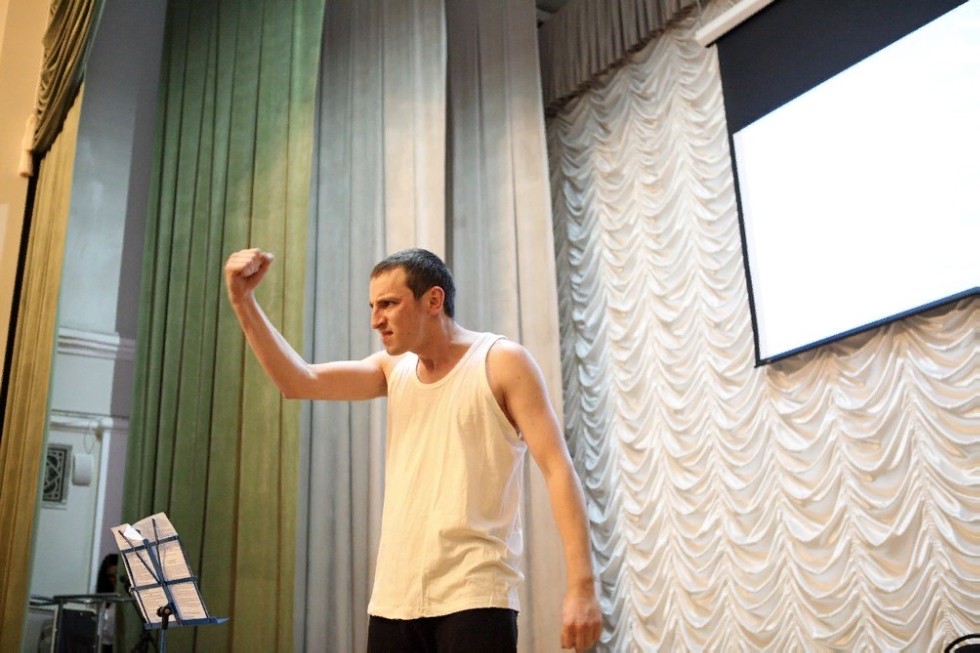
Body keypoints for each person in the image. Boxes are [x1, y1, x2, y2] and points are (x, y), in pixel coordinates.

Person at [224, 247, 602, 651]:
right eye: (373, 307)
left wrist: (582, 587)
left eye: (388, 304)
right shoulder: (393, 369)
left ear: (433, 300)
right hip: (394, 601)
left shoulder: (501, 361)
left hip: (474, 596)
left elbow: (558, 469)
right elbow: (298, 381)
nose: (375, 320)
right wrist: (243, 301)